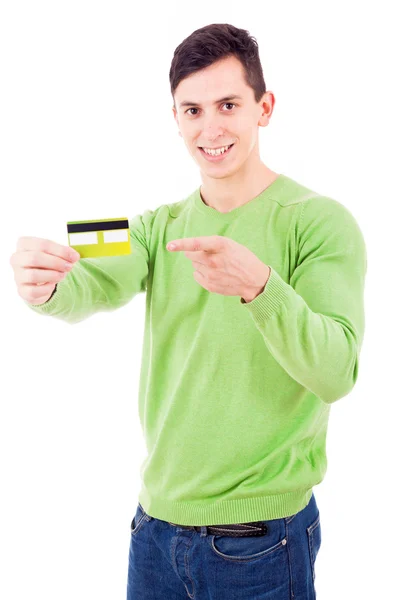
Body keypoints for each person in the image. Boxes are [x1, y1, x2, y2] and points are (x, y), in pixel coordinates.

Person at [11, 22, 367, 600]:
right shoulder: (155, 224)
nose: (211, 127)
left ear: (264, 107)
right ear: (174, 120)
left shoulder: (321, 220)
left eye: (228, 104)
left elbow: (337, 370)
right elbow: (85, 268)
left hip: (260, 543)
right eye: (192, 110)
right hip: (153, 533)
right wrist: (44, 284)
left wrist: (260, 286)